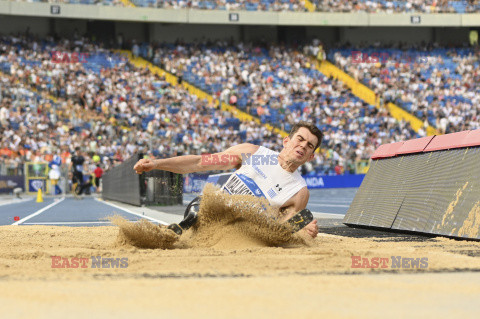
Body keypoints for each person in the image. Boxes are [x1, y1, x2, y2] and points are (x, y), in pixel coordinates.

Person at [134, 121, 323, 238]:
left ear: (310, 157)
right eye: (300, 139)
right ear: (286, 141)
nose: (303, 146)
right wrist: (157, 164)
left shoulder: (299, 192)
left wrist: (303, 232)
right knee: (197, 211)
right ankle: (177, 231)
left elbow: (282, 230)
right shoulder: (253, 153)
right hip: (208, 212)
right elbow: (200, 162)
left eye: (309, 146)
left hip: (241, 233)